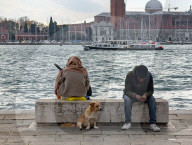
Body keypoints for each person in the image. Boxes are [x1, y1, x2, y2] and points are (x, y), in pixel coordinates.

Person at [122, 65, 160, 132]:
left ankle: (153, 123)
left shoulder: (149, 75)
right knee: (126, 99)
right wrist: (135, 95)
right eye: (139, 78)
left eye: (143, 78)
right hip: (131, 95)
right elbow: (126, 91)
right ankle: (127, 122)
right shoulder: (130, 75)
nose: (141, 80)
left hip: (144, 95)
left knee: (152, 99)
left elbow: (151, 90)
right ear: (136, 74)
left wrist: (146, 94)